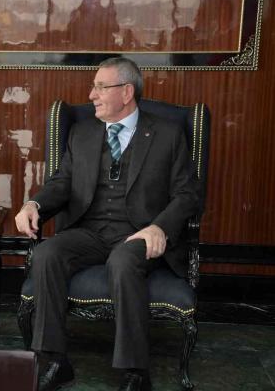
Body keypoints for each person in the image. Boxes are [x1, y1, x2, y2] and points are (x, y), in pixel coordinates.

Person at [15, 57, 199, 391]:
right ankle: (54, 360)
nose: (92, 95)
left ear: (127, 92)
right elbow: (62, 182)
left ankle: (135, 372)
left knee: (123, 261)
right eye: (94, 87)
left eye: (101, 87)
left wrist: (159, 227)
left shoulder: (167, 134)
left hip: (139, 233)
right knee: (46, 254)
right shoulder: (82, 132)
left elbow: (188, 195)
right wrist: (34, 204)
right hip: (90, 232)